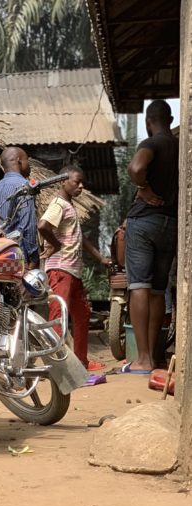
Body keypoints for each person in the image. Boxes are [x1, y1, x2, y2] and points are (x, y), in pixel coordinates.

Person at [122, 99, 179, 373]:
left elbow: (135, 168)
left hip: (144, 221)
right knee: (158, 290)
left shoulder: (153, 144)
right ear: (170, 119)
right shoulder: (180, 147)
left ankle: (142, 358)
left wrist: (142, 187)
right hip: (171, 225)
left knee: (138, 287)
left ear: (148, 121)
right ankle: (154, 357)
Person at [38, 165, 110, 371]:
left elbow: (81, 238)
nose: (81, 186)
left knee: (83, 314)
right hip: (61, 269)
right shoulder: (58, 204)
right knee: (58, 317)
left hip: (72, 270)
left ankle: (81, 362)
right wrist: (57, 245)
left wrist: (100, 258)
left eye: (82, 182)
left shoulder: (69, 206)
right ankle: (57, 366)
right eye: (76, 182)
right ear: (63, 181)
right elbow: (43, 226)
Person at [0, 147, 40, 269]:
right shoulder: (24, 187)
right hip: (17, 258)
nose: (29, 165)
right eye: (27, 160)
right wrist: (34, 258)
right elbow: (28, 226)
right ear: (19, 161)